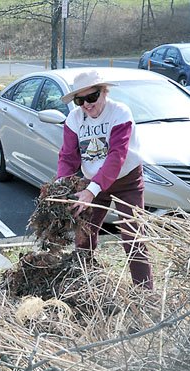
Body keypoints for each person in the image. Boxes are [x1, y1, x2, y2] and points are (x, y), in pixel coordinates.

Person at [57, 70, 153, 289]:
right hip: (92, 182)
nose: (87, 105)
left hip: (126, 181)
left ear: (104, 92)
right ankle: (85, 286)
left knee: (133, 238)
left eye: (91, 97)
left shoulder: (120, 113)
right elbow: (68, 157)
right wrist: (61, 185)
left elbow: (116, 157)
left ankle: (146, 295)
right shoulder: (74, 118)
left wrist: (91, 191)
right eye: (80, 100)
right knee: (83, 236)